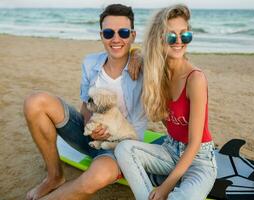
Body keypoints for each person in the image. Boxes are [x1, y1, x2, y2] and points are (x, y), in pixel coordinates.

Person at [23, 4, 146, 200]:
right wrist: (90, 123)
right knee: (34, 102)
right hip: (88, 134)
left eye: (123, 32)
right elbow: (85, 105)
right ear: (101, 35)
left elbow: (174, 59)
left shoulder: (143, 67)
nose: (116, 39)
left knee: (97, 177)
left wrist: (139, 53)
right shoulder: (90, 62)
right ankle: (54, 176)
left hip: (119, 147)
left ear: (132, 35)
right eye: (108, 33)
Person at [115, 4, 217, 200]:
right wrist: (135, 53)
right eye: (171, 36)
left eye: (184, 35)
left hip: (199, 160)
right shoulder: (155, 71)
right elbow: (140, 53)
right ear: (158, 38)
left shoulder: (195, 79)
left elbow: (194, 143)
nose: (179, 41)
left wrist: (165, 189)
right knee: (124, 149)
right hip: (169, 150)